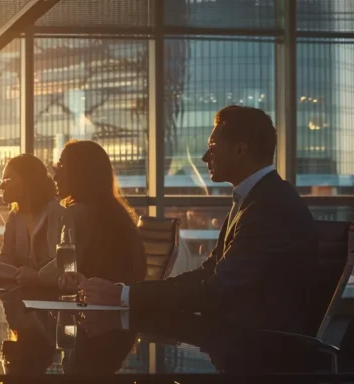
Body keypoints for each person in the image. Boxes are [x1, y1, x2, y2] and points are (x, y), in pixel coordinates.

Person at [79, 106, 319, 335]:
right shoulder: (258, 198)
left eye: (213, 147)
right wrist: (125, 293)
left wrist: (124, 295)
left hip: (260, 349)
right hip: (244, 335)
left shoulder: (268, 208)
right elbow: (209, 273)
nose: (205, 157)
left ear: (240, 150)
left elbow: (216, 291)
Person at [52, 140, 147, 290]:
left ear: (80, 172)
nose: (55, 177)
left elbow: (64, 271)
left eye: (62, 166)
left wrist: (29, 274)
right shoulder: (115, 213)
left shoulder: (76, 213)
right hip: (122, 302)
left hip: (94, 301)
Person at [0, 154, 70, 286]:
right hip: (21, 298)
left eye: (8, 180)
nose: (1, 187)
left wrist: (37, 277)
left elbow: (66, 266)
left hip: (53, 299)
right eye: (1, 180)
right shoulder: (15, 217)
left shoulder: (58, 214)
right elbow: (7, 265)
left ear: (29, 182)